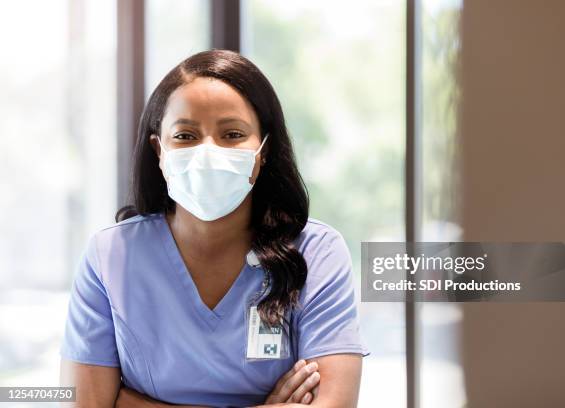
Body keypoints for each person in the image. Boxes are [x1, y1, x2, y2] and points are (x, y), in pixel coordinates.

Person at [59, 49, 369, 408]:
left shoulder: (316, 252)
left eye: (233, 134)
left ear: (263, 151)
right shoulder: (110, 257)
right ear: (159, 150)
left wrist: (129, 402)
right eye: (186, 136)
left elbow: (334, 403)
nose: (208, 152)